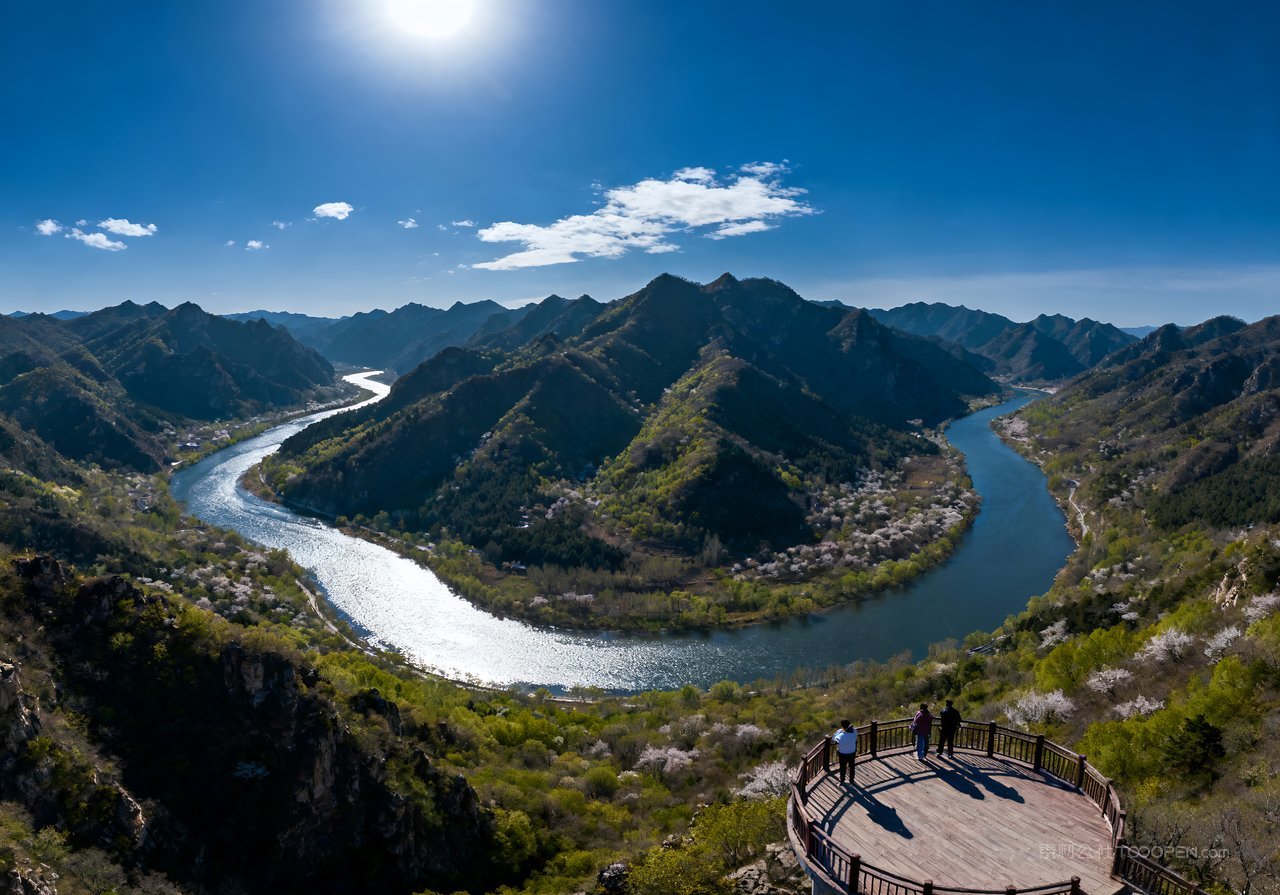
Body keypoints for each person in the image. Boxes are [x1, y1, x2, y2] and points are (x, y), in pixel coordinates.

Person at [832, 719, 858, 784]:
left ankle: (842, 779)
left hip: (843, 754)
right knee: (852, 766)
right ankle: (851, 780)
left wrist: (839, 731)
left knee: (843, 767)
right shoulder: (855, 732)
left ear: (843, 727)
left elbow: (832, 740)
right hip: (852, 752)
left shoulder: (840, 736)